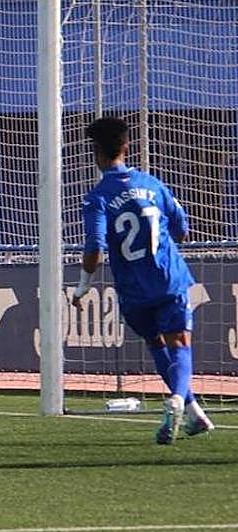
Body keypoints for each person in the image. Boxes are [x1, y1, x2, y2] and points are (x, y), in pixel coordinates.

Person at [74, 115, 213, 444]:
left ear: (95, 153)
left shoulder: (97, 198)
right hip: (168, 280)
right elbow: (182, 229)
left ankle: (195, 415)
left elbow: (95, 248)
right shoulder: (154, 185)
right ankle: (178, 401)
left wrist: (82, 287)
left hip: (133, 291)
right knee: (180, 344)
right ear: (126, 147)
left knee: (156, 345)